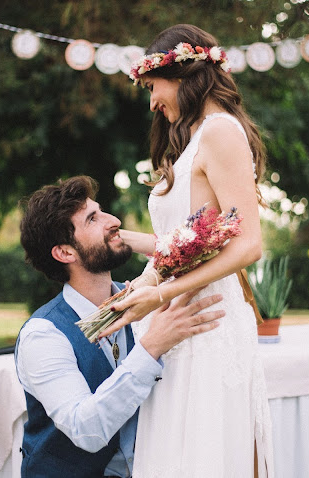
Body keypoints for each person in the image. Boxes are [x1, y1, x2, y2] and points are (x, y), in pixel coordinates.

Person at [99, 24, 274, 477]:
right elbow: (190, 244)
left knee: (204, 454)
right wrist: (142, 282)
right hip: (177, 324)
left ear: (181, 76)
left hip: (209, 322)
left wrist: (159, 296)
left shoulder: (220, 132)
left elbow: (248, 244)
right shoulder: (193, 141)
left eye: (153, 86)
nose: (152, 101)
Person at [15, 176, 224, 478]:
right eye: (92, 219)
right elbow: (86, 430)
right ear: (65, 253)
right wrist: (152, 346)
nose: (113, 221)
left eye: (102, 211)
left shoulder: (148, 302)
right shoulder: (44, 335)